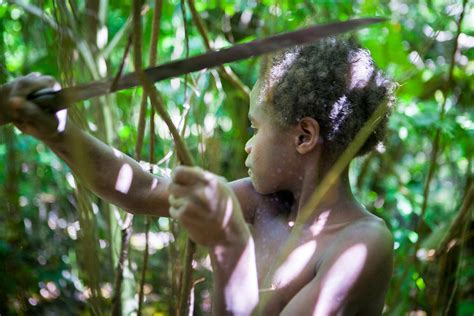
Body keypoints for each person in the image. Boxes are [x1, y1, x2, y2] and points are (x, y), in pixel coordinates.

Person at [0, 37, 395, 315]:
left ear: (304, 136)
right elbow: (137, 189)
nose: (246, 144)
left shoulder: (361, 244)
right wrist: (57, 131)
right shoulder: (263, 203)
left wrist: (230, 246)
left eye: (255, 128)